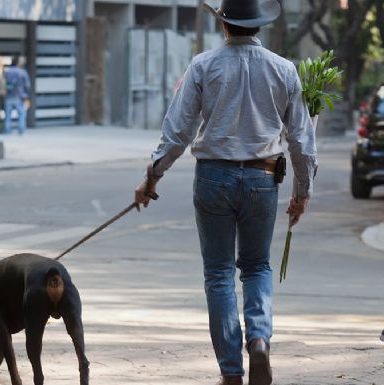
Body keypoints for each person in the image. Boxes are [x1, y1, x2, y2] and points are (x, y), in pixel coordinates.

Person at [134, 1, 317, 385]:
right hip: (262, 179)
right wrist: (302, 192)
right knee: (257, 267)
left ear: (224, 24)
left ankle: (231, 372)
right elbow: (301, 141)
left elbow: (178, 132)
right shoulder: (284, 70)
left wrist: (153, 177)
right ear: (259, 26)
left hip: (213, 178)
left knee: (218, 273)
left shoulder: (203, 65)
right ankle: (259, 339)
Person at [3, 56, 31, 135]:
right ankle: (21, 131)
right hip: (20, 96)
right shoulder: (23, 72)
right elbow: (27, 86)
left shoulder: (7, 71)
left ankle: (7, 130)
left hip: (9, 95)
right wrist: (26, 95)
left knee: (8, 115)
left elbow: (4, 83)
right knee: (21, 114)